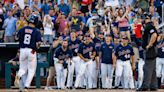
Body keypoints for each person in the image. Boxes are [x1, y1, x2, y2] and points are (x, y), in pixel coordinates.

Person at [14, 14, 42, 91]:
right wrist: (38, 47)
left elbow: (16, 38)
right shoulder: (36, 31)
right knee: (31, 70)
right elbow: (39, 43)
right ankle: (26, 86)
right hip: (31, 51)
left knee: (22, 68)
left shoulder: (22, 29)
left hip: (22, 50)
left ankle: (19, 75)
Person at [137, 13, 158, 91]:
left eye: (145, 18)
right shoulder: (149, 26)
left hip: (150, 50)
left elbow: (155, 35)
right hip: (153, 49)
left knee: (147, 68)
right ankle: (153, 86)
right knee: (152, 69)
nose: (143, 19)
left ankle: (145, 86)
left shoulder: (149, 26)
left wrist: (149, 45)